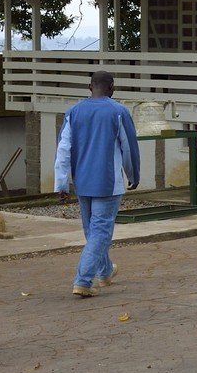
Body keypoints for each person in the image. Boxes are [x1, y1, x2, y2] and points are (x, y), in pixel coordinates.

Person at [54, 70, 140, 298]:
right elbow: (128, 148)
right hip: (107, 183)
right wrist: (134, 175)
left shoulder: (73, 112)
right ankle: (82, 280)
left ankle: (105, 272)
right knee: (101, 232)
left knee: (92, 232)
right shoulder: (119, 112)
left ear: (89, 87)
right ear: (112, 87)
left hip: (82, 182)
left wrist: (61, 184)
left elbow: (63, 150)